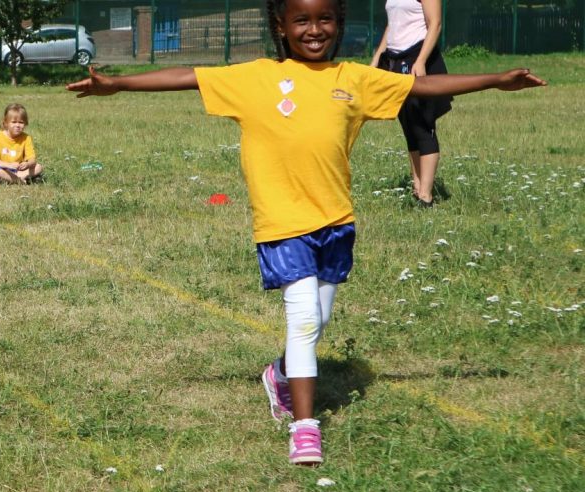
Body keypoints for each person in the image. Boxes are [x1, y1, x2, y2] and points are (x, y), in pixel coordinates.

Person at [66, 0, 544, 465]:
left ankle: (279, 373)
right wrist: (118, 84)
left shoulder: (354, 79)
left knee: (320, 318)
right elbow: (188, 76)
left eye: (325, 19)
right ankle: (304, 427)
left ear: (339, 22)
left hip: (335, 222)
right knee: (304, 320)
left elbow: (423, 85)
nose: (314, 30)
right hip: (281, 224)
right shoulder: (254, 78)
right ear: (281, 25)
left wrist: (495, 80)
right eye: (301, 20)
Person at [371, 0, 452, 207]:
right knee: (408, 126)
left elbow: (435, 24)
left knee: (423, 126)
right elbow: (393, 24)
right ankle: (417, 186)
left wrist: (421, 60)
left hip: (418, 59)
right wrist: (378, 56)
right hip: (396, 60)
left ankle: (426, 196)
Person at [0, 103, 44, 185]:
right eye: (13, 122)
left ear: (25, 123)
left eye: (21, 122)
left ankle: (15, 178)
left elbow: (32, 159)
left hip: (17, 171)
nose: (17, 125)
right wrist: (9, 165)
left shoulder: (26, 138)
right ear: (6, 122)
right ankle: (19, 181)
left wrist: (27, 164)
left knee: (38, 167)